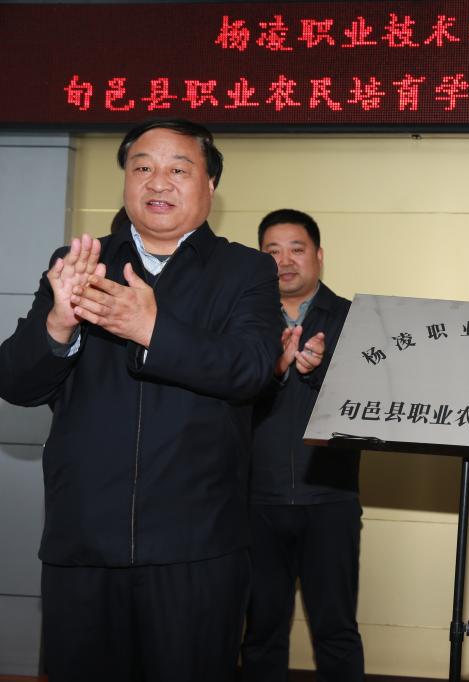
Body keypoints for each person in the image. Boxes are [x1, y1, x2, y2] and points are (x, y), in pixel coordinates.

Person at [0, 119, 281, 682]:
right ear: (126, 180)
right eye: (142, 167)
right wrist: (57, 324)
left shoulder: (244, 270)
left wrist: (153, 331)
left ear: (210, 185)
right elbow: (16, 383)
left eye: (178, 168)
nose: (158, 181)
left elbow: (250, 371)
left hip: (196, 546)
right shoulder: (81, 263)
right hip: (84, 541)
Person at [240, 209, 363, 680]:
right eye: (272, 251)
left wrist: (319, 373)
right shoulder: (244, 318)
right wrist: (271, 371)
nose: (285, 261)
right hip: (256, 498)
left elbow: (369, 403)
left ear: (319, 255)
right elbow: (224, 397)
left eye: (296, 249)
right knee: (261, 631)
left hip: (330, 496)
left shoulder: (352, 319)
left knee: (336, 631)